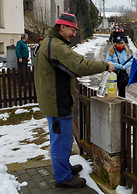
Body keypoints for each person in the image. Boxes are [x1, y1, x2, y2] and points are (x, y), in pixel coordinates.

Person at [34, 13, 115, 188]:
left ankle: (65, 168)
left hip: (54, 100)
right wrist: (105, 65)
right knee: (61, 141)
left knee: (63, 139)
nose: (74, 33)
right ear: (61, 27)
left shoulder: (50, 43)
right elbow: (80, 65)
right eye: (72, 29)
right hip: (57, 103)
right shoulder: (56, 46)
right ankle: (63, 178)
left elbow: (66, 68)